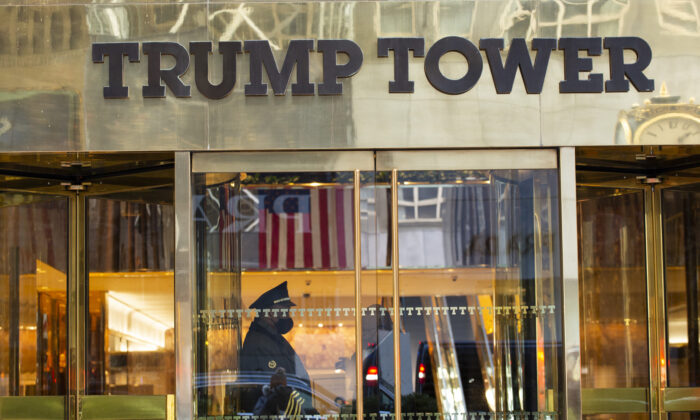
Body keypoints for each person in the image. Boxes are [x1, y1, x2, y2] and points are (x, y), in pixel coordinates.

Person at [239, 281, 316, 413]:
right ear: (269, 312)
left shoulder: (272, 338)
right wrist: (304, 410)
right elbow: (279, 388)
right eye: (284, 310)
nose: (287, 315)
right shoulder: (260, 342)